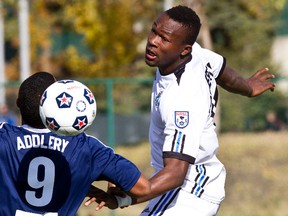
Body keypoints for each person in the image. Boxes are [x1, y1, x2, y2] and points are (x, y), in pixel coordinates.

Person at [86, 5, 276, 216]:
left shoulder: (181, 98)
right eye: (154, 31)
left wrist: (127, 194)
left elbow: (176, 174)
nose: (152, 42)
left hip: (189, 189)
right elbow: (223, 73)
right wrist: (248, 87)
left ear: (185, 49)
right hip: (185, 185)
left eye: (164, 39)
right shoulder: (197, 55)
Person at [0, 71, 151, 215]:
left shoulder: (3, 139)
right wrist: (116, 199)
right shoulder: (85, 147)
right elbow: (143, 188)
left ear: (18, 103)